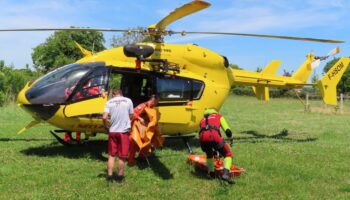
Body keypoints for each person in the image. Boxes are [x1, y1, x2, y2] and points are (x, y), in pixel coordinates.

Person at [102, 89, 133, 184]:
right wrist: (128, 121)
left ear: (113, 94)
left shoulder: (109, 102)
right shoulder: (128, 100)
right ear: (121, 93)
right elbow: (131, 115)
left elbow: (104, 117)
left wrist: (106, 127)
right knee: (122, 156)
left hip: (112, 131)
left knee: (111, 155)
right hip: (123, 132)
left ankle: (110, 177)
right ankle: (119, 178)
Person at [199, 108, 233, 183]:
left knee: (209, 155)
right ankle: (225, 174)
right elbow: (227, 130)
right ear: (214, 112)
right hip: (213, 136)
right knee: (228, 154)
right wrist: (230, 137)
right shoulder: (218, 116)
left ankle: (211, 174)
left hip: (202, 139)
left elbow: (202, 131)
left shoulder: (202, 120)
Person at [128, 95, 163, 165]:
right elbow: (132, 113)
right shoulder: (143, 105)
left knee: (145, 142)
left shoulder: (152, 108)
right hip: (136, 128)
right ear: (153, 100)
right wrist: (140, 118)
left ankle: (141, 158)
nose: (157, 103)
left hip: (144, 128)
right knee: (134, 143)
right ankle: (131, 160)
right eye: (157, 102)